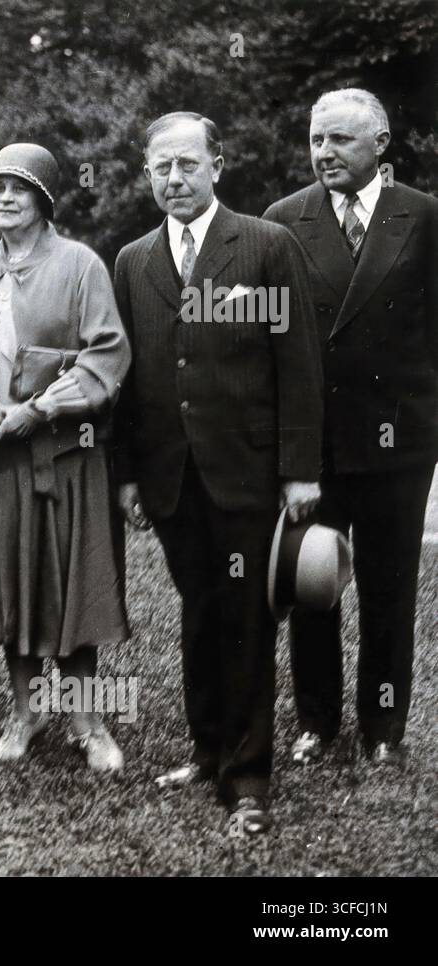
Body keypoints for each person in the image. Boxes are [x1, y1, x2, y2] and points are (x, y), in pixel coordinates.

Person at [113, 112, 323, 837]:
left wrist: (299, 471)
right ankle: (206, 753)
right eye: (161, 168)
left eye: (187, 165)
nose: (174, 179)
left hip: (248, 475)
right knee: (198, 614)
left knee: (245, 620)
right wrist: (128, 477)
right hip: (171, 478)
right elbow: (127, 378)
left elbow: (299, 365)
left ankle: (249, 780)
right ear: (147, 175)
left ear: (217, 165)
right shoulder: (133, 259)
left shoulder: (266, 246)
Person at [0, 143, 130, 771]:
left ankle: (89, 721)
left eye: (19, 188)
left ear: (44, 199)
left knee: (68, 589)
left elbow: (107, 358)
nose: (5, 199)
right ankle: (24, 711)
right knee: (9, 585)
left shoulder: (80, 265)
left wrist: (36, 410)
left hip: (59, 460)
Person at [263, 89, 438, 769]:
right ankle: (316, 721)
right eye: (317, 140)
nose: (325, 153)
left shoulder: (424, 218)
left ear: (381, 144)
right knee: (313, 584)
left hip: (401, 442)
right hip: (316, 444)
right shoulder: (283, 221)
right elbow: (271, 342)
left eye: (341, 140)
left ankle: (384, 728)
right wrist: (286, 449)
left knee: (391, 586)